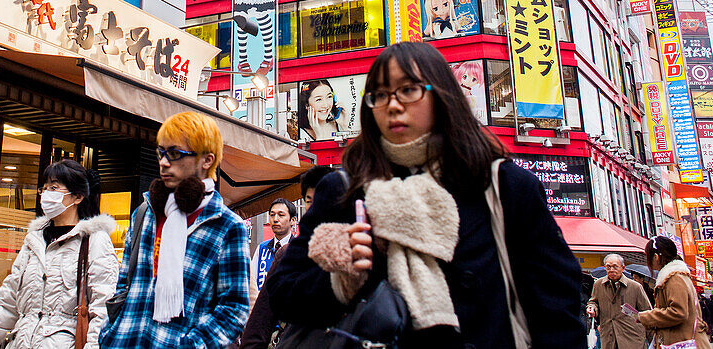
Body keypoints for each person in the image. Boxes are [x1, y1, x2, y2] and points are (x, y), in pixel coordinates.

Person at [268, 41, 586, 346]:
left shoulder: (502, 186)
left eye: (408, 90)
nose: (393, 105)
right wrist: (342, 282)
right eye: (379, 95)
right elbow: (282, 294)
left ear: (442, 95)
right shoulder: (345, 191)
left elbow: (557, 307)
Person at [99, 111, 249, 349]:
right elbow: (123, 285)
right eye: (161, 152)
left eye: (175, 154)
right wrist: (110, 333)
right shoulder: (145, 214)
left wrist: (190, 346)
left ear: (207, 160)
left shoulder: (227, 226)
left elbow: (234, 310)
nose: (163, 162)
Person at [0, 159, 118, 348]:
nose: (46, 195)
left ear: (77, 197)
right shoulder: (33, 242)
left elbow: (103, 308)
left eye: (54, 188)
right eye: (44, 188)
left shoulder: (94, 241)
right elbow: (7, 305)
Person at [240, 167, 332, 349]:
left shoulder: (358, 252)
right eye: (308, 201)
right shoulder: (284, 253)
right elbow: (260, 313)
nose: (275, 219)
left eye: (281, 215)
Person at [634, 236, 711, 349]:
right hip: (682, 339)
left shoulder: (674, 278)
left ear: (656, 257)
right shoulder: (676, 275)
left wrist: (645, 316)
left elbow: (678, 312)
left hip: (683, 341)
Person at [586, 253, 651, 349]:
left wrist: (651, 338)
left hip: (631, 337)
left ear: (623, 268)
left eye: (615, 267)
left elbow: (647, 313)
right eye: (608, 267)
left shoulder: (635, 287)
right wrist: (592, 308)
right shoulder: (599, 284)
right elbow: (593, 301)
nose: (611, 270)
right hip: (609, 336)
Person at [249, 198, 296, 306]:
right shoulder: (262, 248)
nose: (275, 219)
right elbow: (252, 283)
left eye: (281, 215)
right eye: (272, 214)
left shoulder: (299, 249)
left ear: (293, 220)